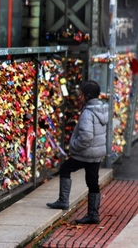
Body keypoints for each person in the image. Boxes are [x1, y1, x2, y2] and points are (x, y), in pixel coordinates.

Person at [46, 80, 108, 224]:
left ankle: (63, 200)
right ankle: (93, 214)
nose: (79, 97)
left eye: (81, 94)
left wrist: (74, 146)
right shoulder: (102, 110)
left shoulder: (88, 112)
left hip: (85, 153)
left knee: (65, 169)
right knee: (92, 182)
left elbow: (86, 136)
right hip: (96, 153)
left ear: (87, 95)